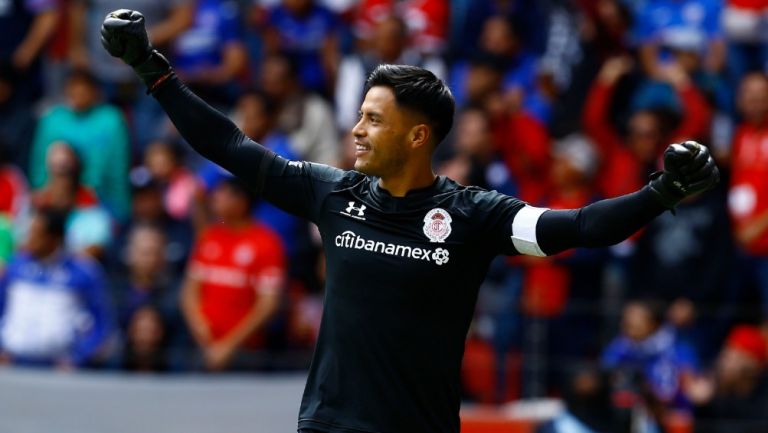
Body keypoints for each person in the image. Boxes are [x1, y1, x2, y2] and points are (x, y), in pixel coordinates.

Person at [100, 10, 720, 432]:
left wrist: (661, 191)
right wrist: (155, 71)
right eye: (361, 115)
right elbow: (232, 146)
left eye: (374, 119)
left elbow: (581, 227)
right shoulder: (333, 194)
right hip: (328, 426)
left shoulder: (474, 216)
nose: (357, 130)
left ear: (417, 135)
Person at [181, 178, 286, 372]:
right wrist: (200, 330)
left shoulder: (266, 243)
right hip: (203, 349)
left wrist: (228, 345)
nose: (215, 198)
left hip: (246, 354)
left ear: (242, 201)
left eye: (223, 193)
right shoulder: (209, 237)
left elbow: (268, 305)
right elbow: (189, 292)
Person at [0, 207, 113, 369]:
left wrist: (79, 357)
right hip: (13, 364)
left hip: (58, 369)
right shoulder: (14, 267)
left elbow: (102, 322)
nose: (29, 240)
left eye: (36, 234)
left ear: (54, 239)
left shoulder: (83, 272)